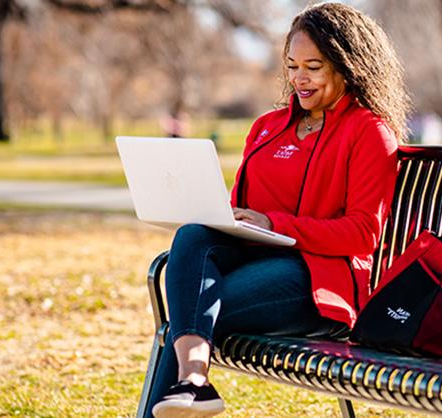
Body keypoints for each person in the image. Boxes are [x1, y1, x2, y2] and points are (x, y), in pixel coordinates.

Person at [148, 3, 411, 417]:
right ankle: (193, 381)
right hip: (256, 258)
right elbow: (240, 208)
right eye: (291, 65)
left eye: (314, 67)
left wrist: (276, 224)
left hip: (320, 279)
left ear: (348, 66)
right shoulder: (269, 127)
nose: (298, 79)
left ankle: (189, 383)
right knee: (193, 236)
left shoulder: (369, 132)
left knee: (191, 313)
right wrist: (223, 215)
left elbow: (363, 233)